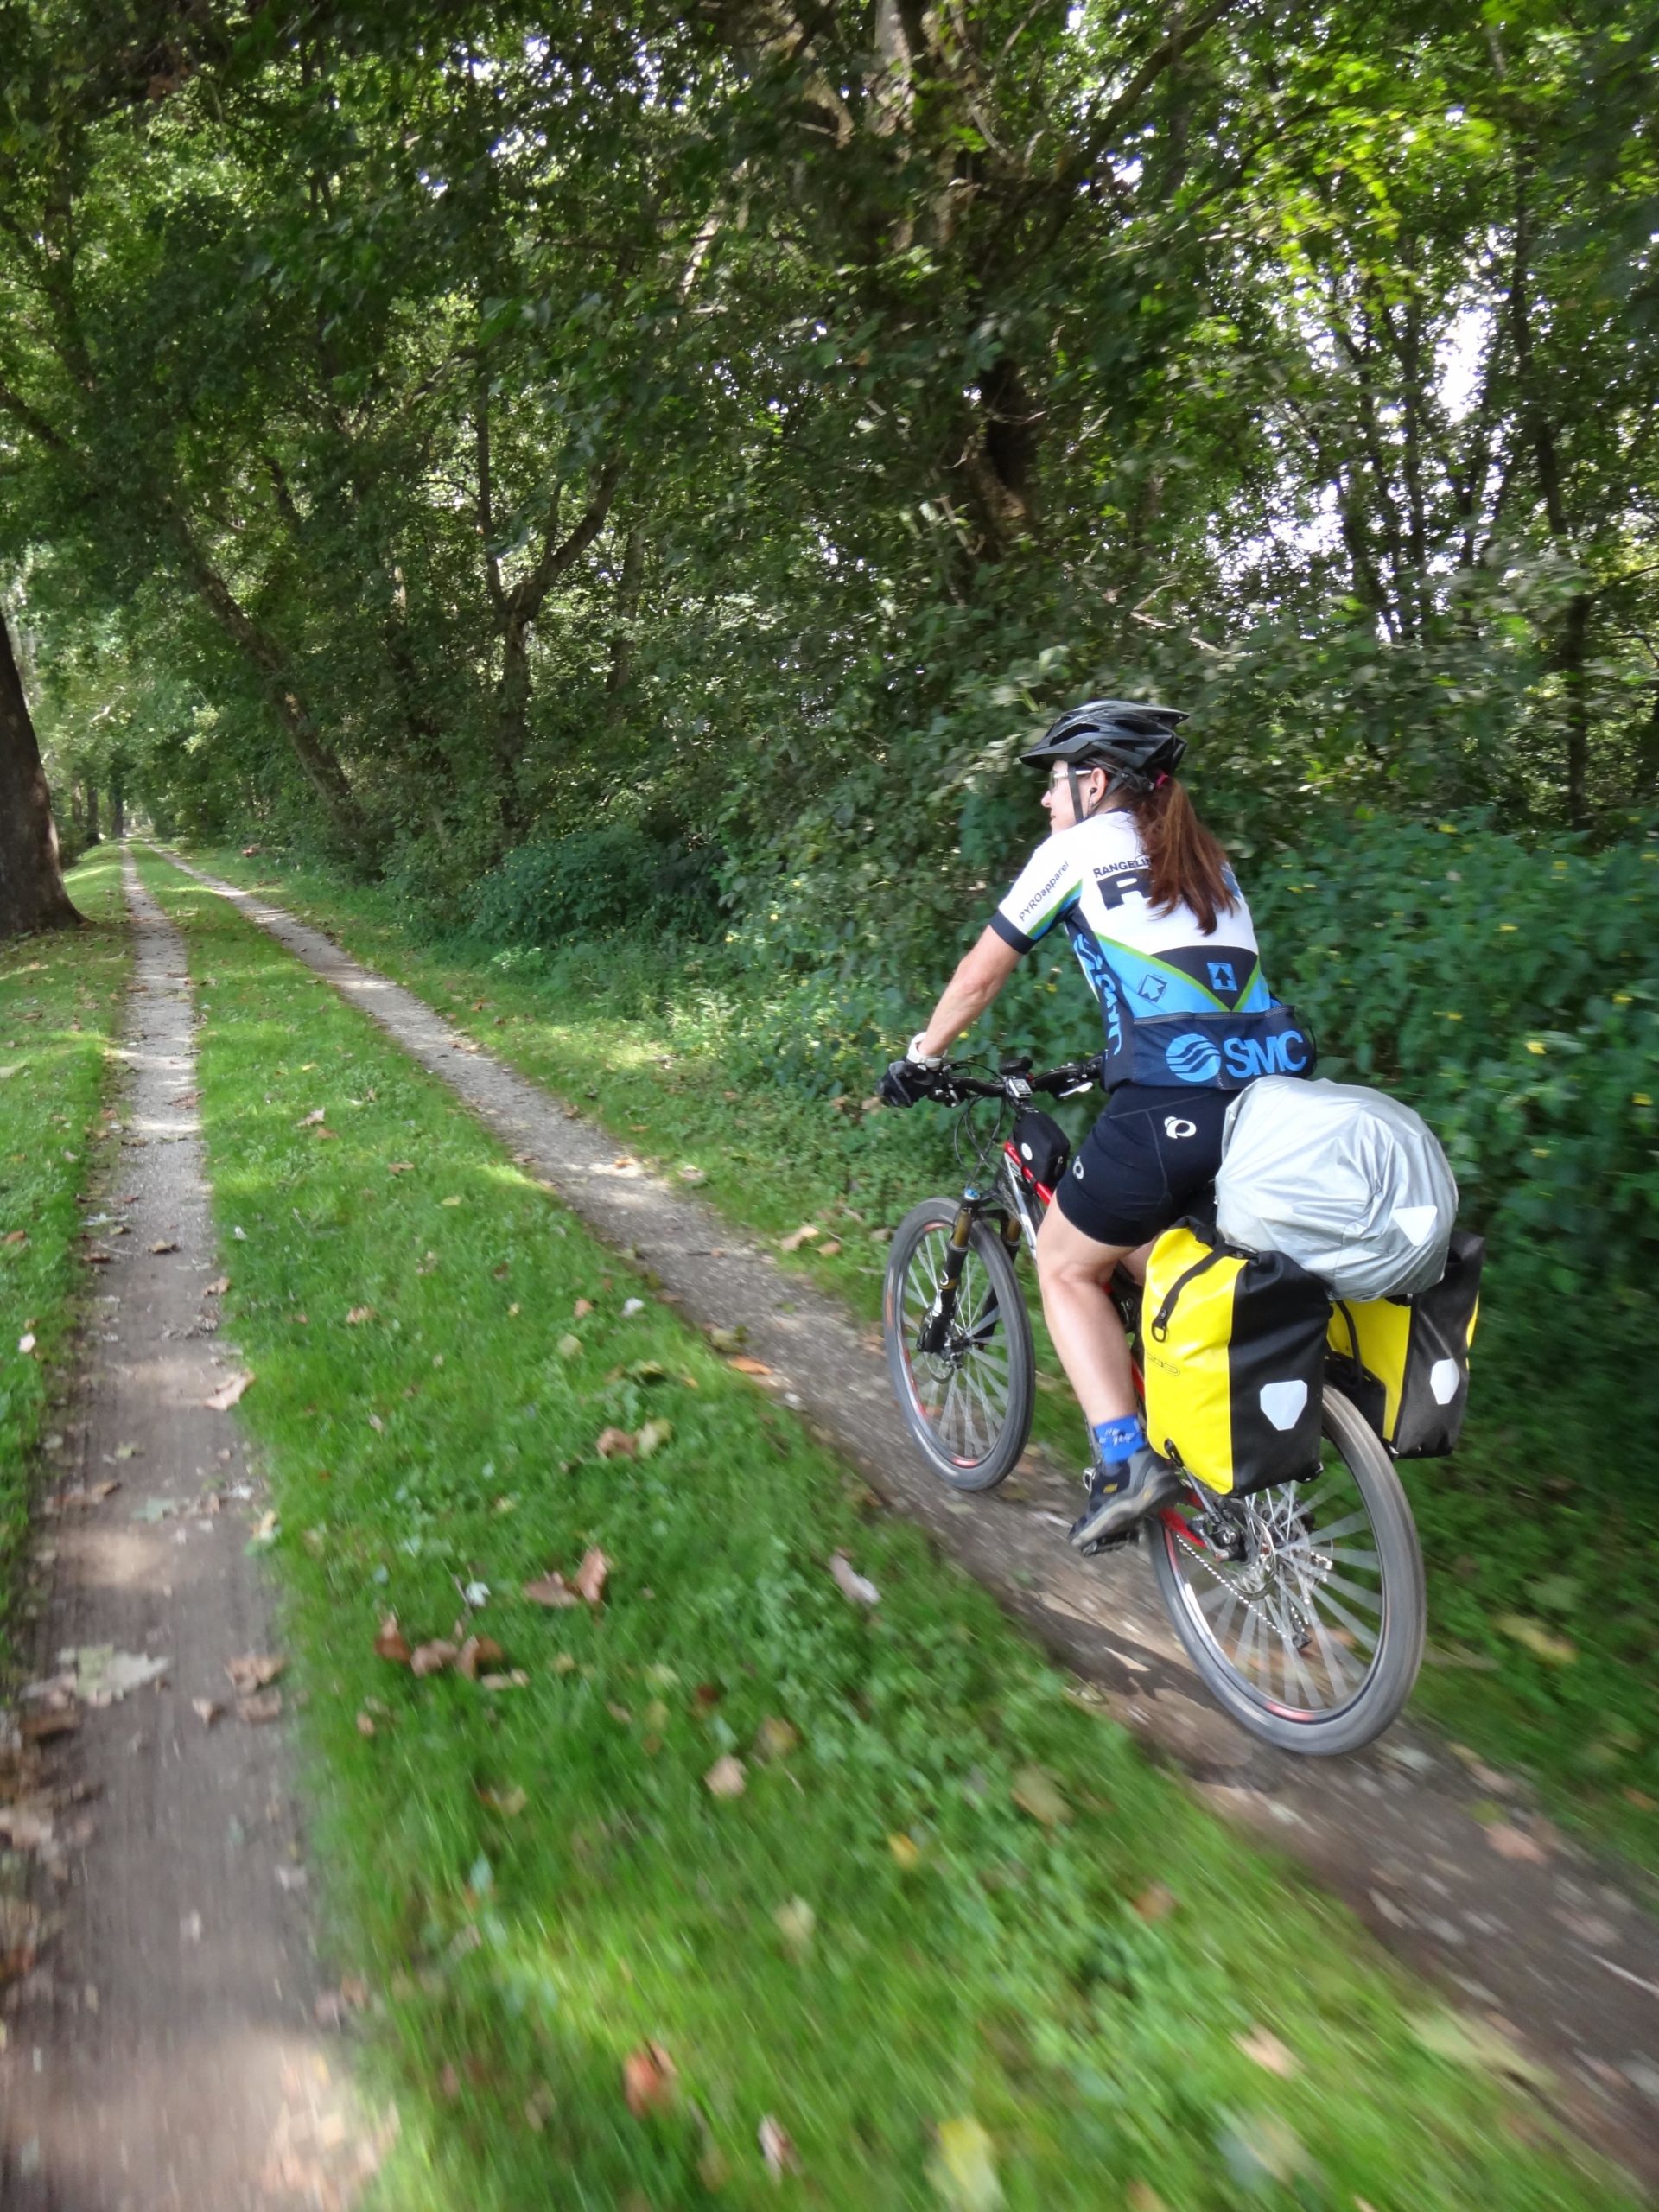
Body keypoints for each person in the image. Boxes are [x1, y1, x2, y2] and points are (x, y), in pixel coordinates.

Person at [880, 699, 1313, 1548]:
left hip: (1170, 1108)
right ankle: (1201, 1415)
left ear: (1096, 781)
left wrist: (923, 1055)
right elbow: (1194, 991)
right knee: (1159, 1255)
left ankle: (1126, 1462)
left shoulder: (1076, 851)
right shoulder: (1205, 863)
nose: (1046, 801)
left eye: (1054, 781)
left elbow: (979, 974)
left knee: (1068, 1265)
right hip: (1271, 1106)